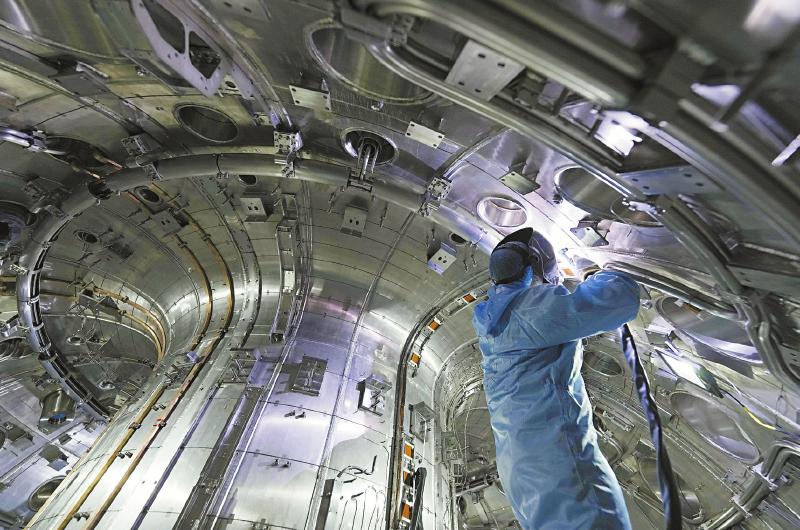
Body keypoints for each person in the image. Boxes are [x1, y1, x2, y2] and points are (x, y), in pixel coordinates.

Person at [472, 227, 640, 530]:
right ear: (538, 269)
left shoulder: (490, 316)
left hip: (521, 470)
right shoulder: (532, 307)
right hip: (555, 460)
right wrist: (597, 268)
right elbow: (619, 298)